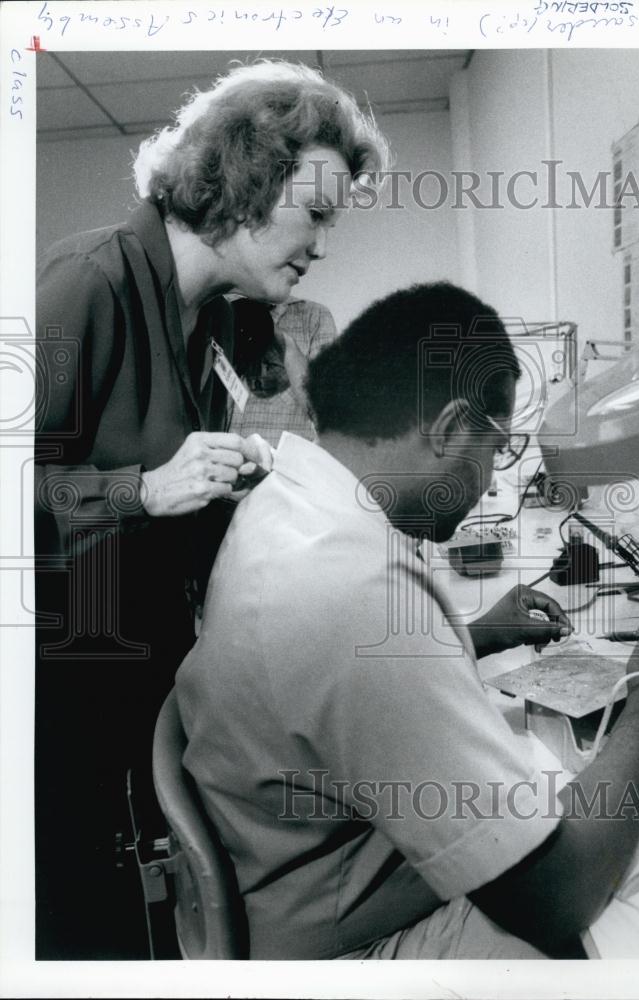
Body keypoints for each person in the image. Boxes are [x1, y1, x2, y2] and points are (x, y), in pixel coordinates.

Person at [175, 282, 639, 960]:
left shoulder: (286, 503)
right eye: (497, 449)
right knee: (628, 932)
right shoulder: (353, 586)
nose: (491, 482)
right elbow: (556, 895)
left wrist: (473, 636)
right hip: (345, 947)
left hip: (295, 877)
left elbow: (319, 682)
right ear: (452, 428)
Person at [34, 58, 388, 959]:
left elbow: (188, 495)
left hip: (152, 663)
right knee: (89, 925)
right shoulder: (90, 283)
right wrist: (143, 490)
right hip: (59, 686)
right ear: (243, 185)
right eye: (313, 211)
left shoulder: (221, 322)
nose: (320, 242)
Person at [229, 296, 338, 443]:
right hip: (217, 460)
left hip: (280, 462)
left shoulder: (315, 316)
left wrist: (283, 342)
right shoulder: (215, 309)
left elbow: (326, 414)